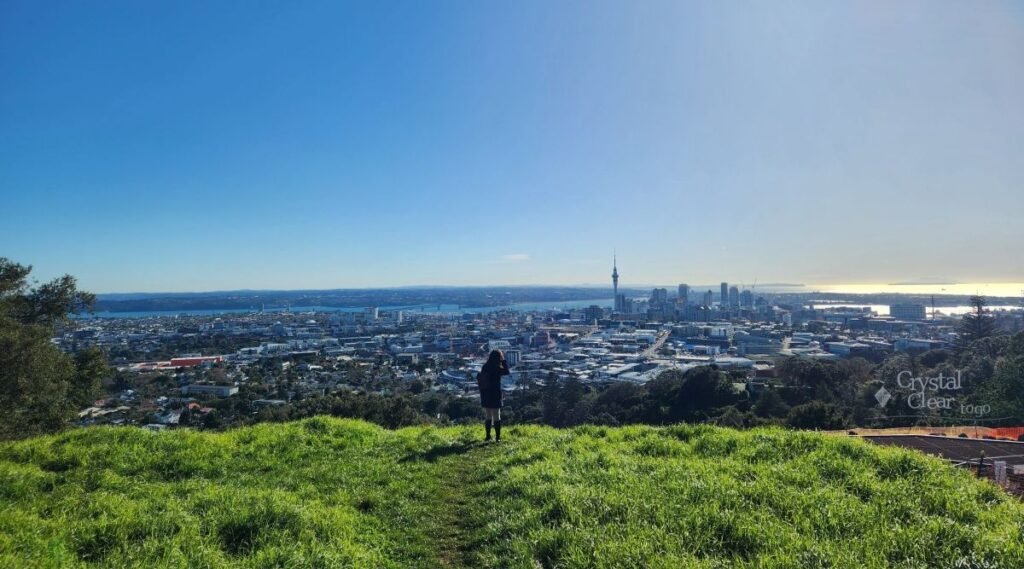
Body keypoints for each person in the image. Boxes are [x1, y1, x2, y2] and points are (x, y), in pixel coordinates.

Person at [477, 349, 510, 442]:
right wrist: (503, 360)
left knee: (488, 415)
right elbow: (507, 371)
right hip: (495, 393)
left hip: (486, 393)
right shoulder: (497, 368)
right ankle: (497, 437)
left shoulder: (485, 367)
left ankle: (488, 436)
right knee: (496, 416)